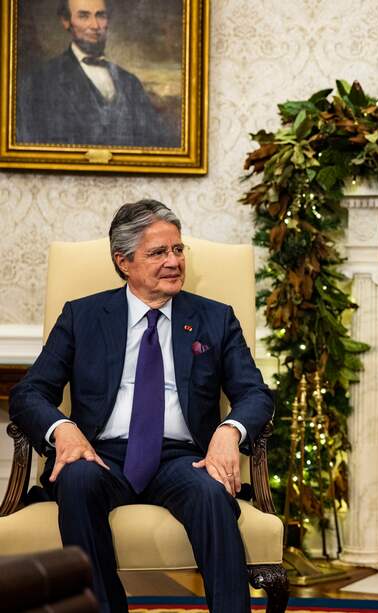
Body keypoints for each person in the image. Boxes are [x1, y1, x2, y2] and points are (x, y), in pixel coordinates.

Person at [10, 200, 272, 613]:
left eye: (178, 250)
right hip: (101, 454)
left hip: (183, 458)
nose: (174, 262)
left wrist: (229, 431)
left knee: (211, 493)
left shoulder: (214, 319)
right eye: (158, 253)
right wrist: (62, 428)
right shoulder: (83, 316)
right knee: (77, 481)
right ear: (123, 261)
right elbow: (29, 393)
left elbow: (255, 394)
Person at [15, 0, 177, 147]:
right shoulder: (39, 81)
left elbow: (156, 143)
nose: (95, 25)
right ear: (66, 22)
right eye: (84, 16)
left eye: (100, 15)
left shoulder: (130, 82)